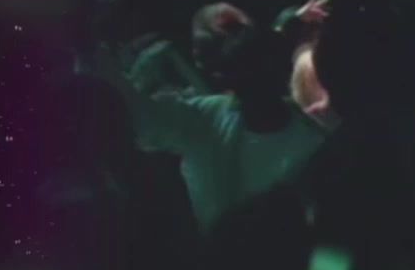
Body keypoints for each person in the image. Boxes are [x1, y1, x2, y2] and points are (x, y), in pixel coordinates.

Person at [93, 25, 328, 235]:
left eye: (261, 71)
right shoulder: (206, 118)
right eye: (242, 73)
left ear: (282, 73)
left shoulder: (313, 143)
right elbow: (144, 120)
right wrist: (90, 52)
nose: (252, 82)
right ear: (228, 79)